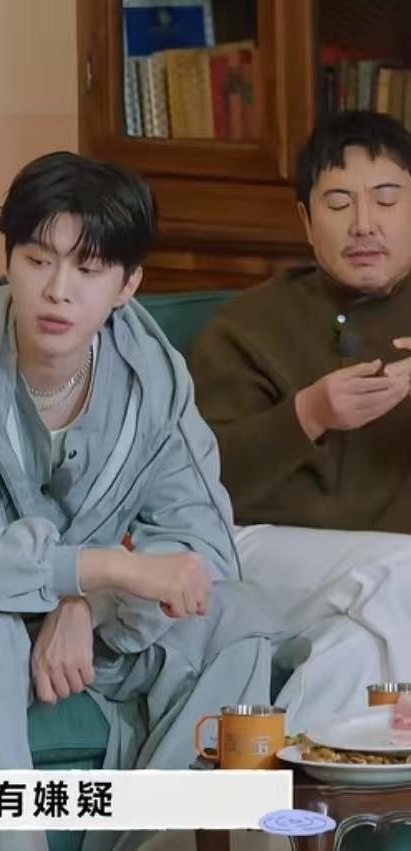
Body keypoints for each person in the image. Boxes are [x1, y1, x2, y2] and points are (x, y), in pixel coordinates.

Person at [0, 151, 280, 851]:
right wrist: (94, 570)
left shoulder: (154, 376)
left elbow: (203, 542)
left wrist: (86, 601)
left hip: (86, 617)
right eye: (37, 260)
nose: (57, 291)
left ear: (128, 283)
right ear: (9, 259)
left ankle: (156, 844)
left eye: (89, 268)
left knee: (238, 617)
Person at [190, 110, 411, 727]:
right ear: (306, 222)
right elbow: (200, 485)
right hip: (260, 557)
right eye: (339, 203)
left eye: (386, 199)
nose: (364, 223)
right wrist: (307, 415)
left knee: (358, 649)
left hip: (387, 586)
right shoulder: (246, 326)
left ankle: (275, 789)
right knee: (405, 572)